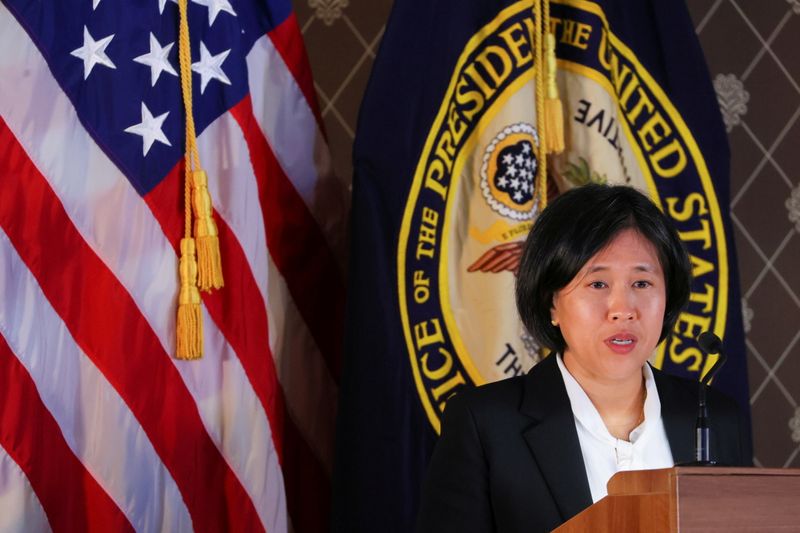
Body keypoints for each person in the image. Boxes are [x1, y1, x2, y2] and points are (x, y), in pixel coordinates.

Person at [416, 184, 751, 533]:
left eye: (641, 283)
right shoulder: (484, 425)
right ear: (551, 304)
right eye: (598, 284)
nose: (623, 310)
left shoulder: (718, 418)